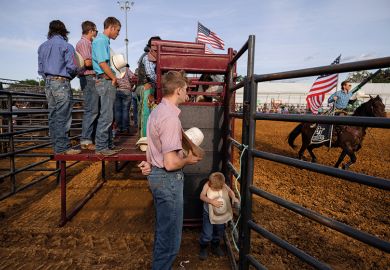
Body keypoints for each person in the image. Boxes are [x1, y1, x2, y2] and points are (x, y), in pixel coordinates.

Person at [138, 71, 202, 270]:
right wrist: (188, 160)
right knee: (171, 239)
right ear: (179, 90)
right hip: (168, 179)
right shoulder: (170, 118)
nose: (187, 94)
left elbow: (150, 146)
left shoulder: (157, 111)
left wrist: (150, 163)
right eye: (186, 90)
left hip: (157, 176)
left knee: (163, 232)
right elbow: (171, 163)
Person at [38, 20, 80, 155]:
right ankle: (63, 148)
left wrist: (49, 78)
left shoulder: (42, 47)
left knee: (53, 115)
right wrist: (69, 76)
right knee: (63, 114)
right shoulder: (66, 46)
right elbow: (72, 67)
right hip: (61, 82)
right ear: (64, 31)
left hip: (48, 83)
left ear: (50, 30)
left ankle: (57, 146)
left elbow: (41, 69)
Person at [92, 17, 121, 156]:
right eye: (118, 30)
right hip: (105, 80)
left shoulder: (101, 41)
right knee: (106, 115)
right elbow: (102, 63)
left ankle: (107, 145)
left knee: (108, 114)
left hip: (104, 80)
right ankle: (102, 147)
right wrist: (114, 77)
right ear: (111, 27)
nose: (118, 33)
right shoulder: (102, 40)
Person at [198, 172, 239, 260]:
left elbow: (230, 191)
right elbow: (201, 196)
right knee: (207, 233)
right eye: (215, 189)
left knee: (219, 231)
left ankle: (215, 246)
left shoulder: (223, 184)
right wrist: (211, 201)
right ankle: (203, 247)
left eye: (218, 189)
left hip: (221, 214)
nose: (216, 190)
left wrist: (234, 198)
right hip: (208, 213)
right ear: (210, 183)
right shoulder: (207, 185)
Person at [76, 21, 98, 150]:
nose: (96, 33)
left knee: (93, 109)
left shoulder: (87, 43)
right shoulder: (84, 43)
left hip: (89, 77)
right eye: (95, 31)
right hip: (88, 77)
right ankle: (85, 140)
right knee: (91, 109)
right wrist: (102, 64)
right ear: (91, 30)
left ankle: (89, 139)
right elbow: (88, 62)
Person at [136, 36, 161, 137]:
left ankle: (146, 136)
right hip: (145, 86)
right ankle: (145, 137)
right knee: (146, 112)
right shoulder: (147, 57)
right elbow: (150, 75)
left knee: (145, 112)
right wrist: (162, 83)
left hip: (147, 85)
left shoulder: (152, 56)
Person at [114, 64, 135, 133]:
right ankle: (125, 128)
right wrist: (131, 85)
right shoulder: (126, 69)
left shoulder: (115, 70)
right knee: (125, 110)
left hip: (117, 90)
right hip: (126, 90)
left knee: (118, 110)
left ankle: (119, 128)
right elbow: (133, 78)